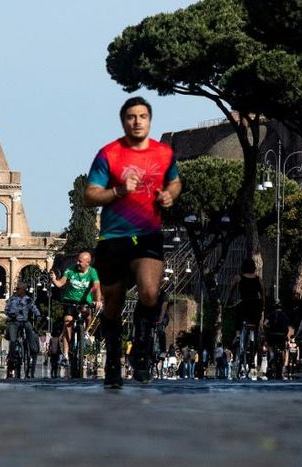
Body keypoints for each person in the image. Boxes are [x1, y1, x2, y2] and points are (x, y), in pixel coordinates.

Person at [83, 96, 182, 388]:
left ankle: (141, 346)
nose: (137, 121)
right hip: (113, 237)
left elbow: (174, 181)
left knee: (150, 292)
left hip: (148, 234)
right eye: (131, 116)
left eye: (142, 116)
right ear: (123, 121)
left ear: (149, 120)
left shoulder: (164, 153)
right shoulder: (109, 154)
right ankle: (113, 358)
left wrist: (170, 195)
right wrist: (117, 191)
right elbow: (90, 196)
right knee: (112, 305)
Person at [49, 251, 102, 360]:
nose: (77, 262)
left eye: (80, 261)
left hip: (85, 302)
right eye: (77, 260)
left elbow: (97, 287)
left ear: (88, 263)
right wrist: (54, 280)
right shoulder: (70, 270)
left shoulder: (92, 272)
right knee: (67, 321)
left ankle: (86, 334)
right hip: (70, 301)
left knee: (88, 315)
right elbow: (60, 284)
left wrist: (98, 301)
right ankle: (67, 349)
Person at [4, 282, 41, 377]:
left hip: (25, 321)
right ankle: (11, 357)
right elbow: (6, 309)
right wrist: (10, 313)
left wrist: (38, 315)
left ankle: (32, 349)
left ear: (24, 290)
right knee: (12, 339)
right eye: (17, 289)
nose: (17, 290)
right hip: (14, 321)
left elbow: (34, 308)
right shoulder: (12, 299)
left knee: (30, 332)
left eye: (19, 289)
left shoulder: (28, 300)